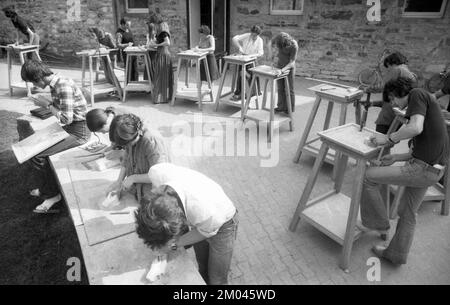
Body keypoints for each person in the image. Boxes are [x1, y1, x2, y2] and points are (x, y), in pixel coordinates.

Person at [360, 77, 449, 265]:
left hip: (423, 170)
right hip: (432, 170)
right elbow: (419, 150)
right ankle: (396, 255)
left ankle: (379, 225)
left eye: (393, 99)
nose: (394, 104)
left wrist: (388, 139)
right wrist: (395, 157)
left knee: (368, 176)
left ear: (401, 93)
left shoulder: (417, 94)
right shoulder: (424, 105)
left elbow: (415, 128)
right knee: (407, 213)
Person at [135, 162, 238, 285]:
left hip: (223, 225)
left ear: (179, 223)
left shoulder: (204, 212)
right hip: (202, 222)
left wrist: (171, 245)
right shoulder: (157, 173)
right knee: (202, 266)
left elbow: (203, 232)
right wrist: (132, 178)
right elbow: (150, 176)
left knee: (217, 280)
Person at [21, 60, 91, 213]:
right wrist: (47, 103)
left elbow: (67, 118)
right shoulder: (57, 82)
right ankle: (47, 188)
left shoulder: (62, 85)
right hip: (70, 127)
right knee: (34, 148)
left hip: (79, 132)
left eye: (33, 82)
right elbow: (64, 112)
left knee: (37, 155)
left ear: (39, 77)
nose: (34, 86)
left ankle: (52, 195)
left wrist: (46, 104)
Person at [106, 114, 170, 203]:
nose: (126, 147)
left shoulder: (151, 141)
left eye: (127, 145)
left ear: (136, 135)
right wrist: (119, 181)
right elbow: (126, 159)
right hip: (137, 186)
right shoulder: (128, 133)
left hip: (153, 188)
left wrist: (133, 178)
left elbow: (158, 174)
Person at [367, 52, 418, 134]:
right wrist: (373, 103)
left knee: (380, 135)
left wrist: (368, 89)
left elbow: (383, 86)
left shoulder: (397, 69)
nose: (388, 70)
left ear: (392, 63)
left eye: (388, 67)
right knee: (389, 137)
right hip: (400, 112)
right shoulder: (410, 74)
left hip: (391, 113)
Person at [230, 25, 264, 101]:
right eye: (252, 34)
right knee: (241, 75)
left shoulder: (260, 40)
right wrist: (239, 47)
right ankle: (238, 93)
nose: (253, 36)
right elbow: (234, 38)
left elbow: (261, 53)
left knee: (251, 77)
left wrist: (251, 55)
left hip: (252, 60)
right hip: (243, 59)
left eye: (255, 35)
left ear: (258, 34)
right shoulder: (247, 35)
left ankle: (252, 93)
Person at [88, 27, 122, 96]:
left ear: (103, 32)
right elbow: (98, 47)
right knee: (107, 76)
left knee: (111, 74)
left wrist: (103, 46)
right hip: (104, 57)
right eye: (98, 34)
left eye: (100, 34)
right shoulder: (98, 38)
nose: (100, 36)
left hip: (111, 57)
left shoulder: (108, 36)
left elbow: (115, 47)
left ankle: (119, 91)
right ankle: (112, 90)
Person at [148, 14, 174, 104]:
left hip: (163, 55)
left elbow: (167, 42)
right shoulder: (162, 29)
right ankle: (163, 98)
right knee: (162, 76)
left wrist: (156, 45)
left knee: (160, 76)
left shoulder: (163, 31)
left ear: (156, 22)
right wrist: (155, 42)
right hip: (162, 54)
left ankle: (161, 98)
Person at [271, 32, 298, 114]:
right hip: (279, 67)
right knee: (280, 88)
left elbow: (292, 62)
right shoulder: (278, 42)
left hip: (289, 68)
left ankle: (290, 109)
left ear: (284, 42)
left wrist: (282, 70)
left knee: (290, 89)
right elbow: (276, 52)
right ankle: (281, 107)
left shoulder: (294, 45)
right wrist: (274, 62)